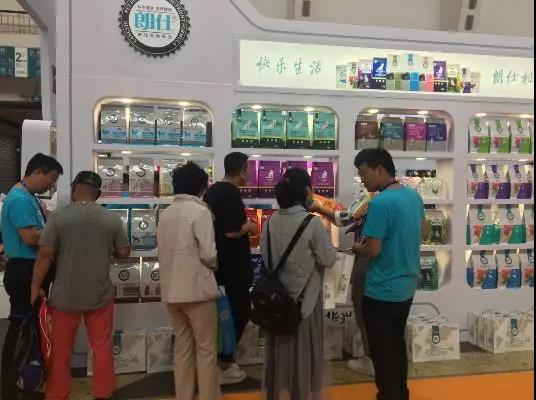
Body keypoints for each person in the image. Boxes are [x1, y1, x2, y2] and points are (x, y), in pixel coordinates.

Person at [30, 171, 131, 400]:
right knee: (102, 347)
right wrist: (110, 249)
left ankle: (58, 394)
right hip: (99, 295)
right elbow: (124, 252)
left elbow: (45, 255)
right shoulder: (111, 219)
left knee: (60, 351)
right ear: (98, 194)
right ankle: (103, 393)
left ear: (74, 189)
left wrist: (35, 286)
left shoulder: (59, 217)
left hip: (64, 297)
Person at [351, 149, 426, 400]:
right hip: (406, 287)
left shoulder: (380, 203)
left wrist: (356, 248)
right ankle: (401, 393)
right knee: (396, 345)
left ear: (379, 169)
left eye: (364, 172)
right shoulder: (413, 196)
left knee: (382, 354)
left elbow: (372, 250)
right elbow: (423, 232)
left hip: (381, 290)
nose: (362, 179)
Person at [260, 168, 337, 400]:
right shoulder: (312, 223)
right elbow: (328, 258)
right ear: (306, 190)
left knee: (279, 357)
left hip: (277, 303)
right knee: (304, 356)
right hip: (305, 303)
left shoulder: (270, 221)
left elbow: (265, 255)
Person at [0, 153, 63, 399]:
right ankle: (11, 384)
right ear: (38, 171)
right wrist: (56, 230)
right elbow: (30, 236)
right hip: (25, 272)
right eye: (52, 178)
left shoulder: (29, 197)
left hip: (32, 270)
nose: (52, 184)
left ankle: (27, 382)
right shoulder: (19, 199)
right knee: (23, 327)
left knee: (33, 327)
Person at [157, 162, 220, 400]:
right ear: (201, 187)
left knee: (182, 348)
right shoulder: (201, 212)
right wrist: (215, 264)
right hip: (198, 291)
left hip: (171, 291)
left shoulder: (166, 213)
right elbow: (209, 254)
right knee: (206, 349)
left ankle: (183, 395)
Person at [203, 152, 257, 384]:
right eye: (249, 169)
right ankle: (224, 363)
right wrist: (250, 227)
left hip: (217, 265)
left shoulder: (212, 191)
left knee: (221, 315)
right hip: (233, 267)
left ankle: (220, 361)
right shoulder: (231, 194)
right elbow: (232, 231)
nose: (250, 174)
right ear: (242, 170)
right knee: (238, 312)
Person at [309, 202, 374, 376]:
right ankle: (386, 360)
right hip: (394, 268)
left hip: (368, 257)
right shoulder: (410, 198)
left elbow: (344, 218)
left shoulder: (372, 198)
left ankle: (371, 359)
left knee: (363, 306)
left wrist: (318, 208)